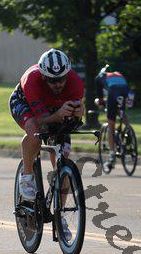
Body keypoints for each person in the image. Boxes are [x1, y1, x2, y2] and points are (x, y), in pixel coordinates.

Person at [10, 48, 85, 201]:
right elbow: (41, 120)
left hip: (54, 106)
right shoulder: (32, 80)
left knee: (62, 156)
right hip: (24, 102)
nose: (58, 84)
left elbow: (70, 122)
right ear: (43, 76)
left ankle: (60, 212)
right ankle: (27, 176)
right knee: (35, 132)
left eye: (62, 79)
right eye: (52, 80)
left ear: (68, 74)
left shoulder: (76, 82)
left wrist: (77, 115)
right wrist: (57, 115)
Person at [95, 64, 132, 172]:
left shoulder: (100, 77)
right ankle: (128, 130)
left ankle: (112, 156)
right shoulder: (118, 74)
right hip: (125, 90)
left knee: (111, 127)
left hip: (113, 91)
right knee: (121, 112)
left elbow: (100, 99)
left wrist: (99, 102)